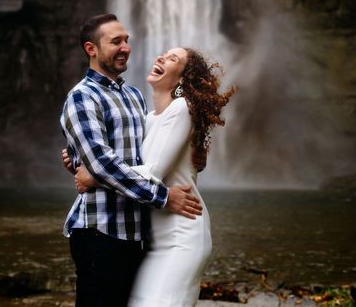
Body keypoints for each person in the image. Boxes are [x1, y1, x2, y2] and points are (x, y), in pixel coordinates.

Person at [74, 44, 235, 307]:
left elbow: (151, 173)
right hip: (152, 241)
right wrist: (79, 157)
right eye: (163, 53)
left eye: (173, 59)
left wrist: (94, 177)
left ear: (182, 79)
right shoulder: (149, 118)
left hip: (181, 235)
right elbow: (118, 161)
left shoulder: (182, 108)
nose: (160, 57)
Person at [60, 14, 204, 307]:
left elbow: (148, 153)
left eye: (126, 40)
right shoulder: (82, 97)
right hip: (100, 231)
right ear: (91, 49)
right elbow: (102, 162)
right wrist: (164, 197)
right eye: (115, 42)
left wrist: (79, 162)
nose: (125, 47)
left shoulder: (134, 96)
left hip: (136, 234)